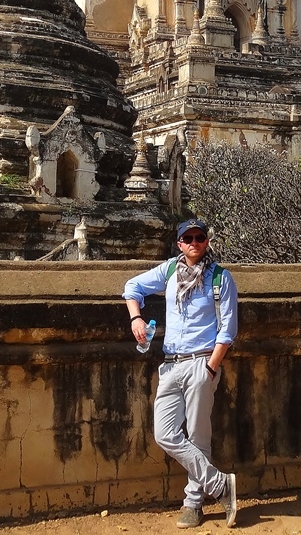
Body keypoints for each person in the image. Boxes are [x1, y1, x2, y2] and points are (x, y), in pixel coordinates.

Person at [123, 218, 239, 529]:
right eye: (188, 238)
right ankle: (219, 484)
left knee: (199, 436)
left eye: (199, 238)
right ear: (179, 243)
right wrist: (136, 317)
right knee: (165, 433)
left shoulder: (220, 279)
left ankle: (193, 503)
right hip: (171, 363)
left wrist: (210, 368)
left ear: (206, 241)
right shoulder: (170, 272)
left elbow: (227, 331)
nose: (194, 243)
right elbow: (132, 287)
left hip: (201, 363)